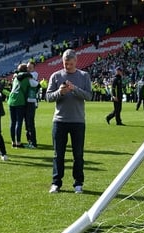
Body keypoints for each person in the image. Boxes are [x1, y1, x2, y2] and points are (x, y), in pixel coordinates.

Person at [46, 49, 92, 194]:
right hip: (59, 120)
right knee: (58, 154)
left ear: (76, 62)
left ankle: (78, 183)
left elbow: (89, 96)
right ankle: (56, 182)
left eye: (71, 64)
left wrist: (74, 89)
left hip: (78, 121)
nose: (68, 67)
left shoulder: (84, 76)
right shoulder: (56, 76)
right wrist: (60, 92)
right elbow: (48, 97)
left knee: (78, 154)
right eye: (66, 64)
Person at [7, 63, 31, 149]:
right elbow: (29, 88)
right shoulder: (26, 78)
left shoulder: (15, 77)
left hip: (11, 99)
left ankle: (13, 142)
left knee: (13, 122)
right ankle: (18, 142)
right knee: (19, 122)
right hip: (20, 100)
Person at [24, 61, 40, 148]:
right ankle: (29, 141)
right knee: (27, 123)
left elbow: (30, 79)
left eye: (30, 67)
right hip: (26, 101)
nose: (28, 69)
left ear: (34, 68)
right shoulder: (28, 75)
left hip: (31, 101)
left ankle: (33, 142)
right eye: (27, 67)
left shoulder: (34, 74)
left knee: (30, 122)